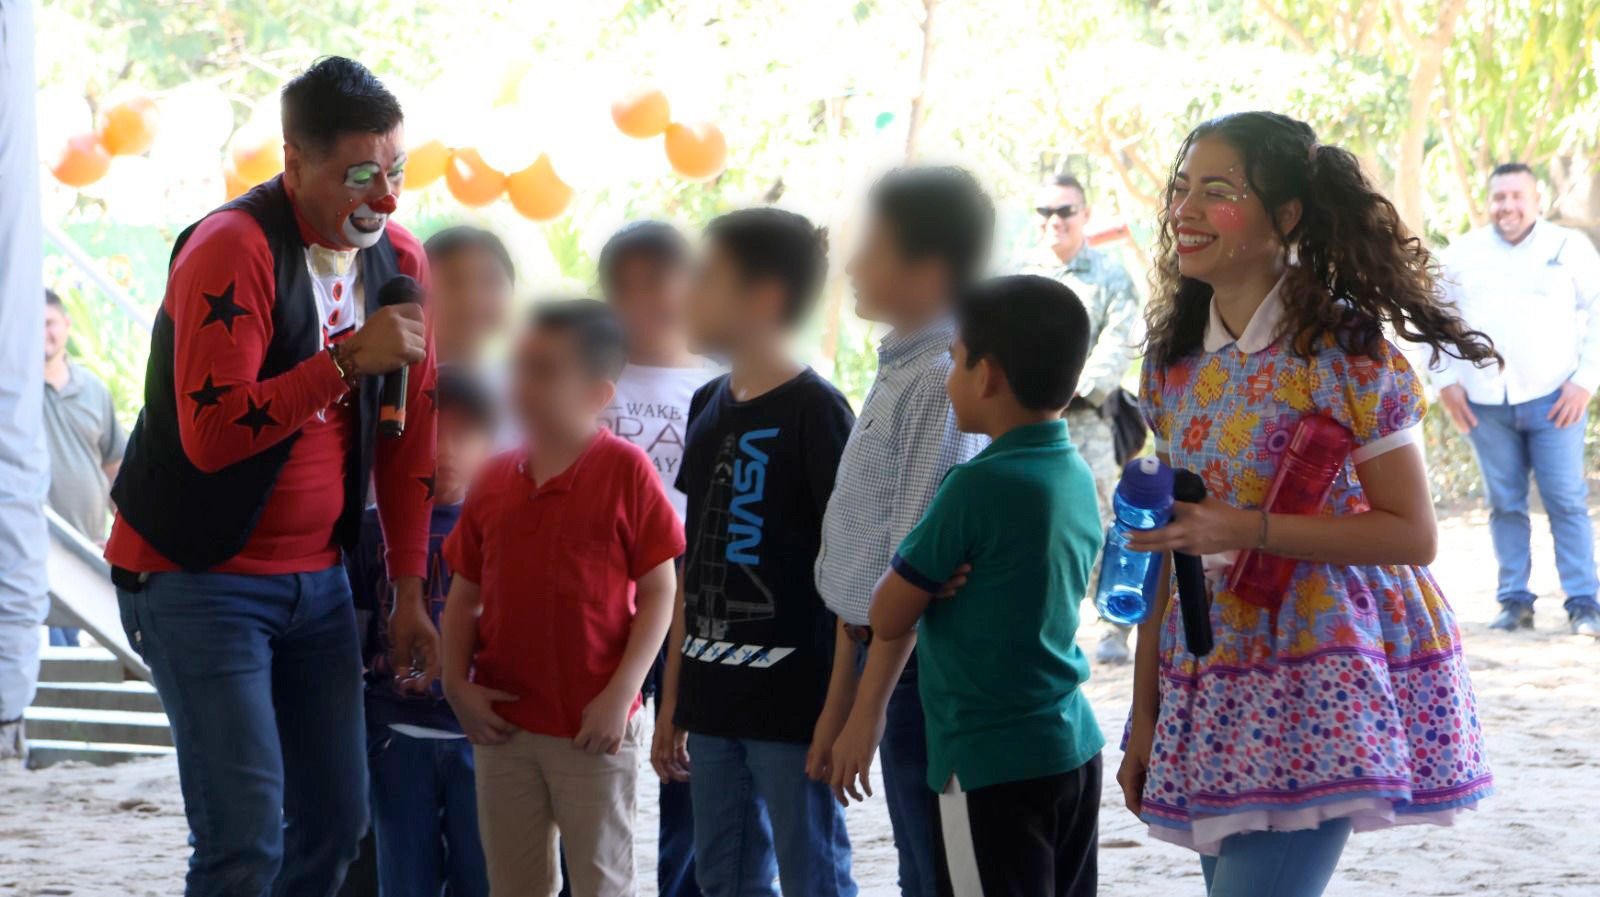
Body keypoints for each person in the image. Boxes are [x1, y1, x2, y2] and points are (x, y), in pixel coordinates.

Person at [1120, 111, 1497, 897]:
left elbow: (1413, 535)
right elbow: (1176, 547)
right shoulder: (1173, 366)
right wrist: (1145, 713)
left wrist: (1247, 527)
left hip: (1321, 670)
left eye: (1217, 191)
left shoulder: (1351, 358)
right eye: (1181, 188)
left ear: (1285, 217)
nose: (1183, 210)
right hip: (1211, 672)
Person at [105, 57, 438, 897]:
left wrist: (406, 589)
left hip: (317, 582)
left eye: (396, 171)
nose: (386, 197)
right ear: (293, 163)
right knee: (243, 841)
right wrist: (346, 360)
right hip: (196, 575)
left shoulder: (399, 260)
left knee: (335, 825)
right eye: (359, 175)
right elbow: (213, 436)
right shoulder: (231, 248)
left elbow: (410, 437)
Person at [865, 274, 1104, 897]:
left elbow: (888, 614)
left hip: (987, 762)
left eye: (955, 362)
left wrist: (924, 580)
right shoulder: (1074, 471)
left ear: (988, 375)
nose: (949, 380)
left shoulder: (975, 485)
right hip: (1070, 745)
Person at [439, 300, 683, 897]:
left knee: (601, 880)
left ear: (597, 393)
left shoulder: (626, 471)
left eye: (545, 370)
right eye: (520, 366)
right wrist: (455, 685)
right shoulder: (493, 478)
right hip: (504, 729)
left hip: (592, 729)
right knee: (515, 884)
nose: (522, 384)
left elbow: (660, 591)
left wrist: (621, 694)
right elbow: (463, 595)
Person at [651, 208, 859, 897]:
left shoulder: (818, 412)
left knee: (813, 878)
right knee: (724, 880)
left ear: (764, 298)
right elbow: (694, 561)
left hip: (794, 711)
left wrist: (839, 711)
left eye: (705, 278)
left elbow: (850, 575)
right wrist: (672, 697)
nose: (685, 295)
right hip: (711, 706)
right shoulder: (707, 402)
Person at [813, 167, 992, 897]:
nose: (852, 265)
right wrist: (840, 701)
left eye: (873, 249)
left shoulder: (939, 382)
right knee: (921, 865)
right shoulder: (902, 364)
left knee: (945, 870)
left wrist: (868, 708)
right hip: (881, 658)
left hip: (919, 670)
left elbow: (915, 569)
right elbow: (862, 565)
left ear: (931, 270)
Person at [596, 219, 718, 897]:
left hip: (694, 602)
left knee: (688, 768)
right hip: (598, 603)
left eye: (660, 281)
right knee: (584, 766)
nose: (644, 299)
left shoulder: (722, 382)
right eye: (627, 286)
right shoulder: (587, 376)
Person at [345, 366, 495, 897]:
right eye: (432, 435)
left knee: (482, 875)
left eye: (465, 433)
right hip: (395, 732)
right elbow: (353, 638)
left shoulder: (502, 527)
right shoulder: (370, 529)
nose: (448, 450)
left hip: (482, 735)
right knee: (404, 874)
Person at [1432, 163, 1600, 636]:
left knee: (1565, 500)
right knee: (1503, 503)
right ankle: (1514, 602)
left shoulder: (1568, 248)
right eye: (1499, 197)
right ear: (1490, 202)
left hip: (1555, 400)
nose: (1507, 206)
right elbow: (1433, 320)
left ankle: (1584, 604)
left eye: (1517, 196)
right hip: (1484, 403)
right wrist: (1445, 383)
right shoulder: (1462, 254)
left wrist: (1585, 380)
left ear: (1537, 199)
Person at [1023, 174, 1143, 664]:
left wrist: (1072, 388)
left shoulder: (1111, 276)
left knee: (1101, 523)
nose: (1055, 221)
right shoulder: (1021, 278)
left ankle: (1114, 626)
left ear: (1085, 215)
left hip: (1087, 422)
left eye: (1065, 211)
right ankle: (1048, 623)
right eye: (1045, 212)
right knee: (1034, 524)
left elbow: (1119, 343)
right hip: (1028, 422)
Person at [43, 288, 127, 646]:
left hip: (88, 548)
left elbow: (115, 470)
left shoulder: (93, 390)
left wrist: (123, 537)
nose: (42, 332)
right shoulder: (10, 388)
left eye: (49, 322)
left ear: (67, 325)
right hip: (35, 552)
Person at [424, 225, 516, 367]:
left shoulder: (522, 385)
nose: (472, 298)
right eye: (454, 280)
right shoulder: (393, 382)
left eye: (490, 281)